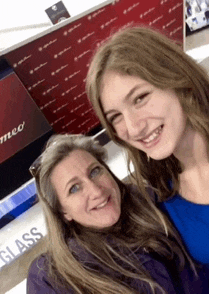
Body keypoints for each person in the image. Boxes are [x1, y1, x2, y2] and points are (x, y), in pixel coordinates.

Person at [86, 26, 209, 268]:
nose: (133, 127)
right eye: (116, 116)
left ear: (176, 78)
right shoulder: (160, 200)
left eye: (140, 98)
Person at [27, 134, 207, 294]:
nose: (96, 191)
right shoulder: (50, 277)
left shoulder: (158, 204)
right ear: (63, 211)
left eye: (95, 171)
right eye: (74, 188)